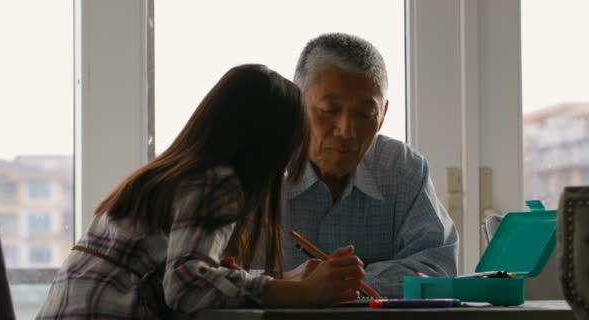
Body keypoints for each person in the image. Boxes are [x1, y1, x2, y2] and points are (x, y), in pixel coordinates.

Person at [36, 64, 365, 319]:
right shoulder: (216, 182)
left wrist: (285, 280)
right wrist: (303, 293)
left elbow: (178, 275)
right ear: (269, 146)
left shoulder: (175, 173)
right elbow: (186, 286)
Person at [282, 33, 459, 298]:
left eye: (364, 114)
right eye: (329, 109)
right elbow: (214, 277)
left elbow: (437, 266)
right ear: (297, 102)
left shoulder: (400, 169)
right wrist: (290, 285)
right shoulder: (262, 168)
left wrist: (346, 282)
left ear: (383, 114)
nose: (345, 130)